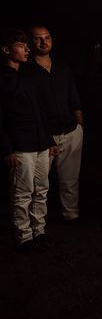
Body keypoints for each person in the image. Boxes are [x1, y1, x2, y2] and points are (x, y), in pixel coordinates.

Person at [3, 30, 56, 250]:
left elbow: (40, 111)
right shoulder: (3, 79)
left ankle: (39, 230)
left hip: (40, 142)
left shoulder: (28, 76)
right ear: (6, 50)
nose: (27, 49)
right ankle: (23, 235)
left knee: (41, 188)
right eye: (21, 45)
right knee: (22, 191)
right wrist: (6, 149)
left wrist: (50, 140)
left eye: (27, 45)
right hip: (21, 145)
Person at [29, 25, 84, 223]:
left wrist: (80, 126)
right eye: (38, 38)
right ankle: (37, 221)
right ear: (31, 42)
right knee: (40, 181)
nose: (44, 42)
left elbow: (74, 97)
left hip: (70, 130)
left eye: (47, 37)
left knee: (70, 179)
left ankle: (71, 216)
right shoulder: (28, 71)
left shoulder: (62, 67)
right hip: (44, 133)